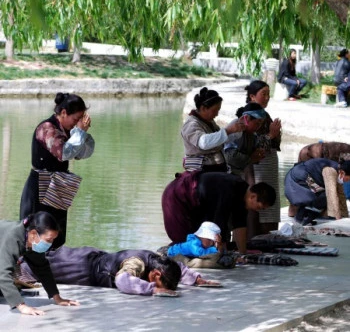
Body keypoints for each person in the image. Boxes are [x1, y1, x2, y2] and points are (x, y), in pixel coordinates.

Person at [20, 93, 95, 249]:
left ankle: (54, 266)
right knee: (37, 232)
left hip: (58, 184)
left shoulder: (69, 131)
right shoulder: (47, 128)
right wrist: (79, 133)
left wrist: (82, 133)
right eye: (75, 119)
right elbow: (64, 153)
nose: (76, 124)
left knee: (56, 233)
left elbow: (82, 153)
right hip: (40, 185)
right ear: (63, 113)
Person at [19, 246, 220, 297]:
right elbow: (123, 280)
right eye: (159, 283)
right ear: (156, 275)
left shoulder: (158, 262)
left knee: (43, 260)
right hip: (80, 267)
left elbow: (178, 268)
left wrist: (197, 279)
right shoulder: (138, 263)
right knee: (33, 267)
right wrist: (153, 290)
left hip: (89, 259)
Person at [162, 171, 276, 254]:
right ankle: (168, 253)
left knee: (198, 243)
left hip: (197, 202)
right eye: (260, 207)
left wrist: (243, 253)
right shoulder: (229, 190)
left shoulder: (243, 195)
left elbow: (240, 226)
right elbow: (217, 224)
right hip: (176, 196)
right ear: (253, 196)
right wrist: (222, 251)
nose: (258, 210)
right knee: (184, 240)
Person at [0, 211, 79, 315]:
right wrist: (22, 306)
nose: (50, 244)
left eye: (53, 240)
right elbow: (3, 274)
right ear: (33, 234)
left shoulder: (30, 241)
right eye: (48, 239)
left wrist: (57, 298)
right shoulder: (13, 238)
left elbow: (42, 268)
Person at [244, 81, 282, 237]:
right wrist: (271, 135)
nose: (267, 97)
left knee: (268, 202)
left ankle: (264, 239)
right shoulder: (248, 115)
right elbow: (250, 143)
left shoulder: (263, 114)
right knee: (257, 200)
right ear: (252, 96)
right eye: (263, 94)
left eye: (268, 94)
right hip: (257, 166)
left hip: (268, 166)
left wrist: (275, 136)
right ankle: (252, 239)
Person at [181, 87, 245, 172]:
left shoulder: (209, 122)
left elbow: (220, 140)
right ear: (203, 108)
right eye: (215, 110)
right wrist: (228, 130)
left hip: (216, 168)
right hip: (200, 171)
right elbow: (203, 142)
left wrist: (236, 130)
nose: (217, 114)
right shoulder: (191, 124)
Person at [284, 158, 350, 225]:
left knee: (322, 198)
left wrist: (345, 215)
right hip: (297, 180)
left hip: (306, 180)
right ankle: (300, 219)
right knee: (323, 198)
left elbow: (341, 194)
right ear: (342, 172)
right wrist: (339, 219)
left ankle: (305, 219)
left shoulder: (338, 172)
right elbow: (331, 194)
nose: (348, 181)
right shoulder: (330, 171)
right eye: (349, 179)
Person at [224, 102, 266, 175]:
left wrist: (258, 154)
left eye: (261, 124)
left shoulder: (252, 134)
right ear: (247, 118)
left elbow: (252, 155)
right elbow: (230, 157)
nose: (259, 126)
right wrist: (251, 159)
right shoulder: (235, 129)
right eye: (257, 123)